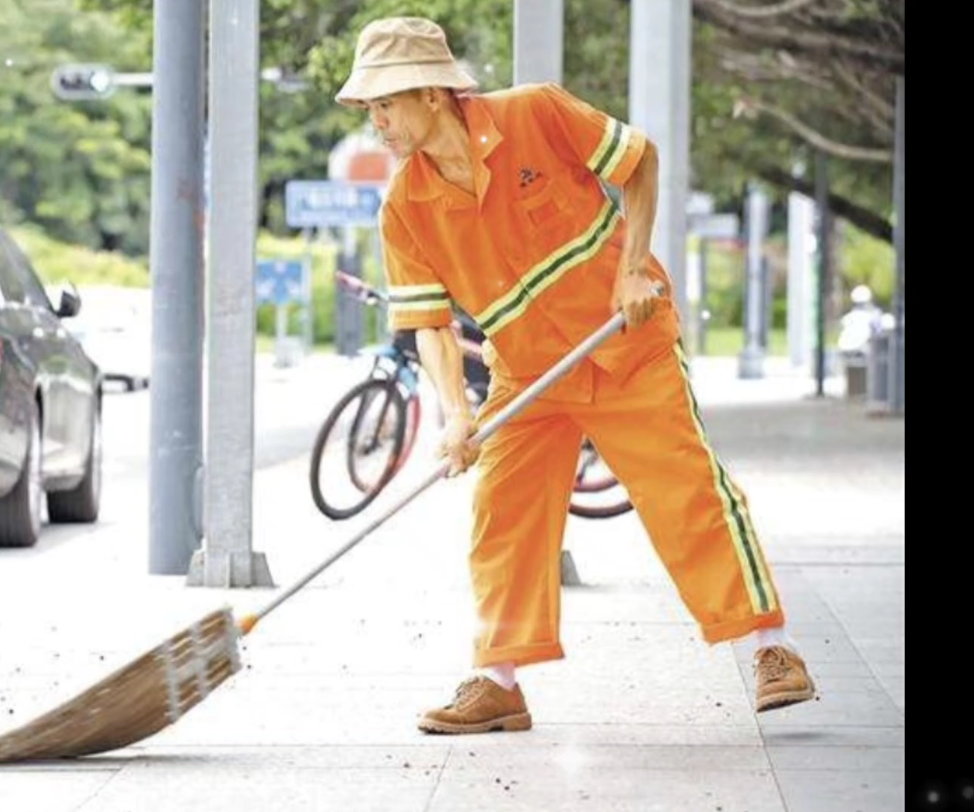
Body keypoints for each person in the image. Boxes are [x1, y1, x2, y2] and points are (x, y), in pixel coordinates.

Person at [334, 16, 816, 734]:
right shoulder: (405, 208)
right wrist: (455, 416)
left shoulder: (535, 112)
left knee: (685, 493)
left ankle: (771, 649)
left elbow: (641, 163)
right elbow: (428, 324)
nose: (378, 124)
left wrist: (632, 270)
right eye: (370, 109)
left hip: (626, 348)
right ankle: (499, 682)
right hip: (528, 376)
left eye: (385, 105)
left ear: (431, 93)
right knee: (503, 515)